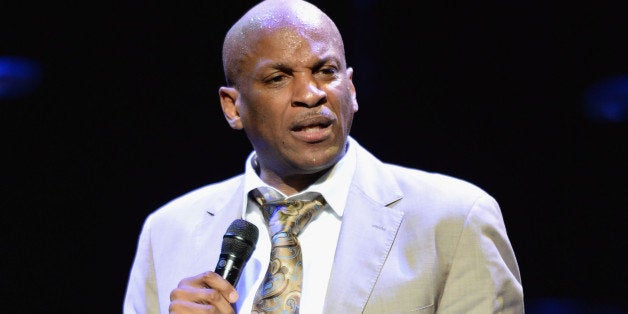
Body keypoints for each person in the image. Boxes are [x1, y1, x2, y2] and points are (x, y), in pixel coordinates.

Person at [123, 0, 524, 313]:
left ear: (350, 88)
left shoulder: (454, 219)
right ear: (233, 107)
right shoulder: (167, 232)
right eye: (278, 78)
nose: (311, 93)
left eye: (326, 71)